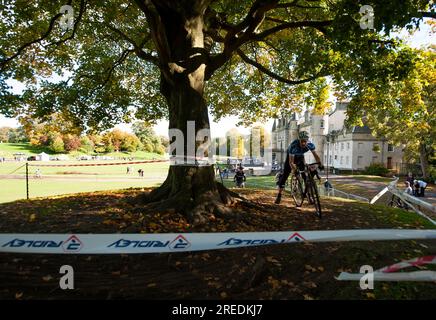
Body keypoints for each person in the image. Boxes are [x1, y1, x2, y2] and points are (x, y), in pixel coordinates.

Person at [275, 131, 324, 204]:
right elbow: (291, 162)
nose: (303, 143)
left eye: (305, 141)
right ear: (299, 140)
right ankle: (279, 195)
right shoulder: (293, 146)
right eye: (302, 141)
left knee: (306, 176)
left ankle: (309, 195)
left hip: (300, 156)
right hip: (291, 157)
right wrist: (294, 170)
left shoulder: (310, 145)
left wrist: (320, 164)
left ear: (307, 140)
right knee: (286, 174)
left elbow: (316, 156)